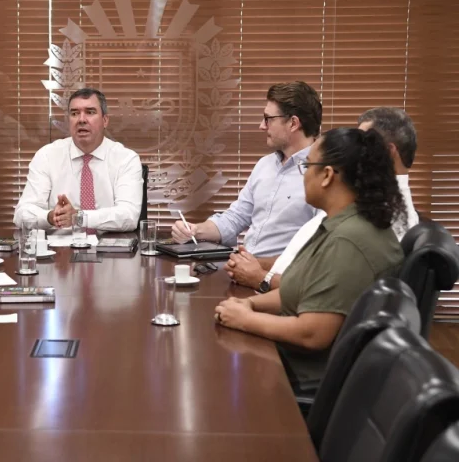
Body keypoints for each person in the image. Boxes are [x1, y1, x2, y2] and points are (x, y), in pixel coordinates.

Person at [214, 128, 405, 388]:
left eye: (307, 166)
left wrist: (246, 319)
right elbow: (297, 290)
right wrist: (248, 305)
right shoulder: (336, 224)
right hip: (289, 358)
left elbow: (312, 333)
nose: (302, 175)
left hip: (305, 377)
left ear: (327, 175)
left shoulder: (349, 240)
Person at [227, 107, 419, 291]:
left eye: (364, 143)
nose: (355, 149)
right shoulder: (358, 198)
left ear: (388, 151)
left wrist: (259, 278)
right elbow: (305, 261)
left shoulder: (383, 215)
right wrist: (255, 263)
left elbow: (331, 290)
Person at [171, 81, 322, 257]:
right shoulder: (264, 165)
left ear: (293, 123)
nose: (262, 126)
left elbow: (320, 250)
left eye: (268, 119)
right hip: (243, 265)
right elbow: (236, 218)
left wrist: (256, 266)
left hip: (281, 272)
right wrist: (194, 230)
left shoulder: (324, 174)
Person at [13, 88, 143, 232]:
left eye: (90, 112)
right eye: (74, 113)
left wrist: (79, 217)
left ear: (105, 120)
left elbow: (129, 216)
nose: (81, 120)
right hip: (59, 244)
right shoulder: (47, 156)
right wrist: (50, 217)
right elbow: (21, 214)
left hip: (108, 244)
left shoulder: (125, 159)